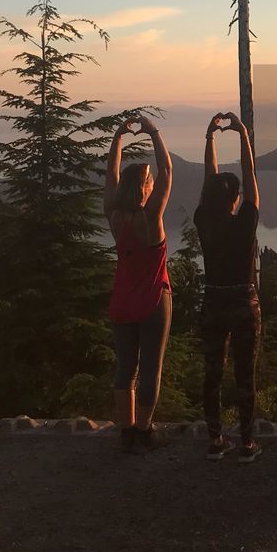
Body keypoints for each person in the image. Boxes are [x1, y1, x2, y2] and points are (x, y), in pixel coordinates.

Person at [194, 111, 262, 463]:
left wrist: (210, 138)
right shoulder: (246, 222)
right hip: (243, 300)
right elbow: (251, 179)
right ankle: (248, 443)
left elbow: (210, 182)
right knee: (244, 373)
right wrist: (243, 136)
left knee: (213, 373)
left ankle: (215, 439)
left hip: (213, 301)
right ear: (236, 198)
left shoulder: (205, 220)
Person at [104, 115, 173, 452]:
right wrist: (154, 132)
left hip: (122, 301)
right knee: (150, 369)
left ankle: (126, 431)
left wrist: (118, 137)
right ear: (145, 188)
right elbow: (169, 172)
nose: (152, 183)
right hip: (152, 299)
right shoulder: (152, 217)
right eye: (149, 181)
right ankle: (145, 431)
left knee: (125, 368)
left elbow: (111, 176)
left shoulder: (114, 215)